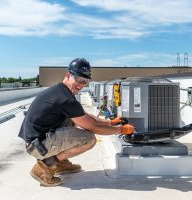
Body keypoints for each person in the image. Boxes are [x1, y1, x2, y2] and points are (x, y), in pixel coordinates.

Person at [18, 58, 135, 187]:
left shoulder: (60, 91)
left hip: (36, 141)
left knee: (74, 119)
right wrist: (121, 130)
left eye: (85, 81)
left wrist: (111, 123)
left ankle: (60, 163)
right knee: (89, 139)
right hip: (38, 146)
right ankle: (45, 166)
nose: (81, 85)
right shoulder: (65, 99)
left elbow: (86, 117)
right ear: (68, 75)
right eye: (79, 79)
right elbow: (94, 127)